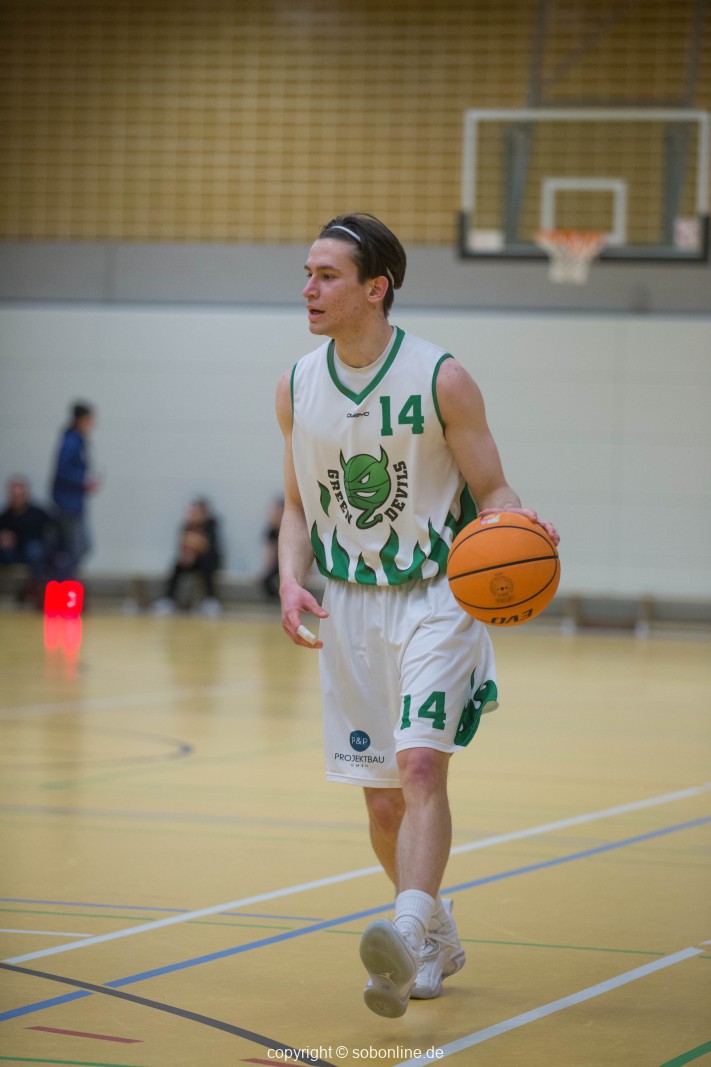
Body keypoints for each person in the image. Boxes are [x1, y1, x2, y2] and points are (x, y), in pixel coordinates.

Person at [276, 212, 559, 1019]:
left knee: (421, 766)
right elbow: (296, 506)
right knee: (380, 800)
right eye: (306, 274)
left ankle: (402, 935)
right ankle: (433, 928)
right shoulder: (296, 384)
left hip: (439, 594)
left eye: (326, 275)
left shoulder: (442, 377)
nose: (308, 289)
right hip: (350, 605)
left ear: (376, 288)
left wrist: (515, 522)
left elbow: (492, 487)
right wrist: (289, 579)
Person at [50, 401, 99, 579]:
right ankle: (60, 581)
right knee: (77, 547)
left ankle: (63, 581)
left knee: (79, 547)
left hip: (74, 502)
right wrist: (82, 481)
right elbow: (62, 469)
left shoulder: (79, 440)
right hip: (67, 504)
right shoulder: (71, 441)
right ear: (81, 419)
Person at [153, 498, 222, 616]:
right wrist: (187, 555)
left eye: (196, 512)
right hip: (190, 560)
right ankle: (168, 600)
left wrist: (193, 544)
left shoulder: (211, 526)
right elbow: (183, 544)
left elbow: (205, 546)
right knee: (177, 566)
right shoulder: (186, 526)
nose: (193, 515)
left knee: (206, 565)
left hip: (208, 560)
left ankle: (210, 600)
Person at [0, 476, 55, 606]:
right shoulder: (5, 517)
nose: (17, 499)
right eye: (14, 495)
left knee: (34, 549)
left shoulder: (38, 514)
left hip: (36, 554)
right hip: (13, 554)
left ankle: (37, 590)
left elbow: (52, 534)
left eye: (19, 495)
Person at [260, 495, 284, 599]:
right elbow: (269, 553)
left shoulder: (293, 530)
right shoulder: (271, 532)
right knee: (267, 580)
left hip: (292, 561)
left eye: (277, 513)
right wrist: (266, 569)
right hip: (278, 563)